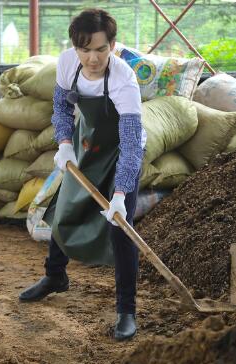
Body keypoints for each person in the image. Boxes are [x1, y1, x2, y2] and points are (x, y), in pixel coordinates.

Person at [18, 8, 146, 341]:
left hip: (121, 151)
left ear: (113, 46)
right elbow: (61, 106)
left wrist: (119, 195)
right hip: (86, 145)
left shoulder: (123, 80)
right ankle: (56, 277)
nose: (93, 58)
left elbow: (131, 145)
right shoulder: (66, 64)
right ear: (75, 47)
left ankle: (126, 311)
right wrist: (64, 143)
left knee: (121, 229)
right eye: (85, 49)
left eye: (101, 49)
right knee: (64, 211)